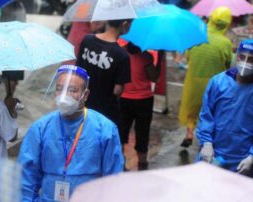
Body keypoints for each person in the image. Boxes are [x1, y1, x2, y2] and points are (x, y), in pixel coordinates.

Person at [18, 65, 124, 201]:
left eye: (72, 90)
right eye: (59, 89)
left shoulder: (105, 130)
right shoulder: (40, 128)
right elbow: (26, 177)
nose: (64, 96)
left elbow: (113, 180)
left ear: (85, 95)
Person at [197, 39, 253, 177]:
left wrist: (252, 156)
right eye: (242, 57)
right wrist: (206, 143)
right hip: (213, 154)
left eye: (251, 59)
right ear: (236, 56)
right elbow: (206, 115)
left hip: (243, 160)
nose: (245, 62)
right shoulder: (218, 82)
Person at [179, 7, 233, 147]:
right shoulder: (225, 43)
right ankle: (207, 141)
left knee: (192, 109)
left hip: (194, 79)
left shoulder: (198, 35)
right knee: (212, 111)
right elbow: (229, 64)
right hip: (215, 84)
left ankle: (189, 133)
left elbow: (188, 56)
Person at [75, 19, 131, 129]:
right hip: (105, 114)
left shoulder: (87, 39)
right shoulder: (122, 55)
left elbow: (78, 70)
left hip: (81, 107)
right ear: (124, 24)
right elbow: (117, 90)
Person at [118, 42, 162, 170]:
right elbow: (154, 77)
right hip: (144, 100)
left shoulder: (121, 54)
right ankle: (143, 164)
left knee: (121, 132)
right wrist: (159, 60)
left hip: (123, 99)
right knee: (143, 132)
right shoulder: (146, 56)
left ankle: (120, 162)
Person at [0, 0, 27, 117]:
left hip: (13, 45)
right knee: (10, 76)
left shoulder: (14, 6)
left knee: (11, 76)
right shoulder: (10, 7)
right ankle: (9, 98)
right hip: (13, 45)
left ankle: (9, 96)